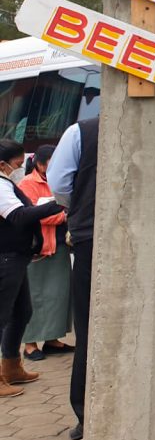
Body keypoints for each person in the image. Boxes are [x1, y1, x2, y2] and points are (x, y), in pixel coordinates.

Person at [0, 139, 64, 398]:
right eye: (17, 164)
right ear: (3, 165)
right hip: (6, 258)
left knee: (22, 311)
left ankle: (12, 366)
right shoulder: (2, 186)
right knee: (2, 315)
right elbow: (18, 216)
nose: (20, 168)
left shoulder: (7, 183)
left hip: (16, 256)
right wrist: (58, 203)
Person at [48, 116, 98, 440]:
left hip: (91, 236)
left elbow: (60, 186)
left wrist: (81, 205)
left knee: (89, 324)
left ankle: (86, 415)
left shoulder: (81, 131)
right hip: (146, 238)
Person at [20, 145, 74, 361]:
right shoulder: (27, 184)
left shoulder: (61, 180)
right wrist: (62, 216)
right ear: (39, 163)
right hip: (38, 248)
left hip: (59, 245)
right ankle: (30, 344)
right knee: (35, 297)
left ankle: (52, 340)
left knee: (58, 295)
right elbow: (32, 215)